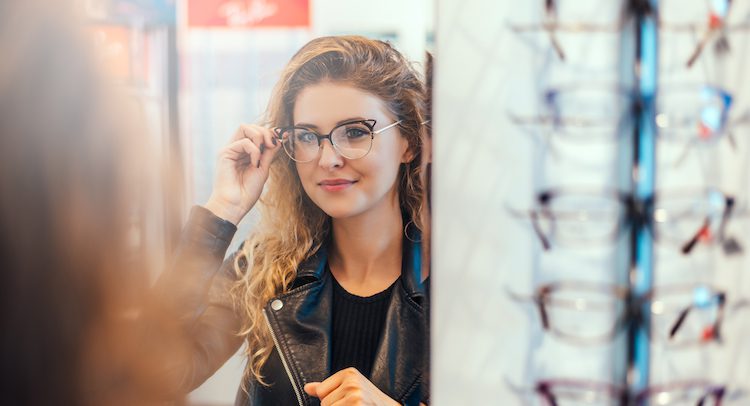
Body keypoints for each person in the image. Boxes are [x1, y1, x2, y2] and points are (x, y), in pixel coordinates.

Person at [155, 35, 430, 405]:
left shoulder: (461, 286)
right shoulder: (266, 267)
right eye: (307, 136)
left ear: (408, 143)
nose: (327, 158)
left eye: (354, 133)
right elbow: (153, 369)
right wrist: (223, 208)